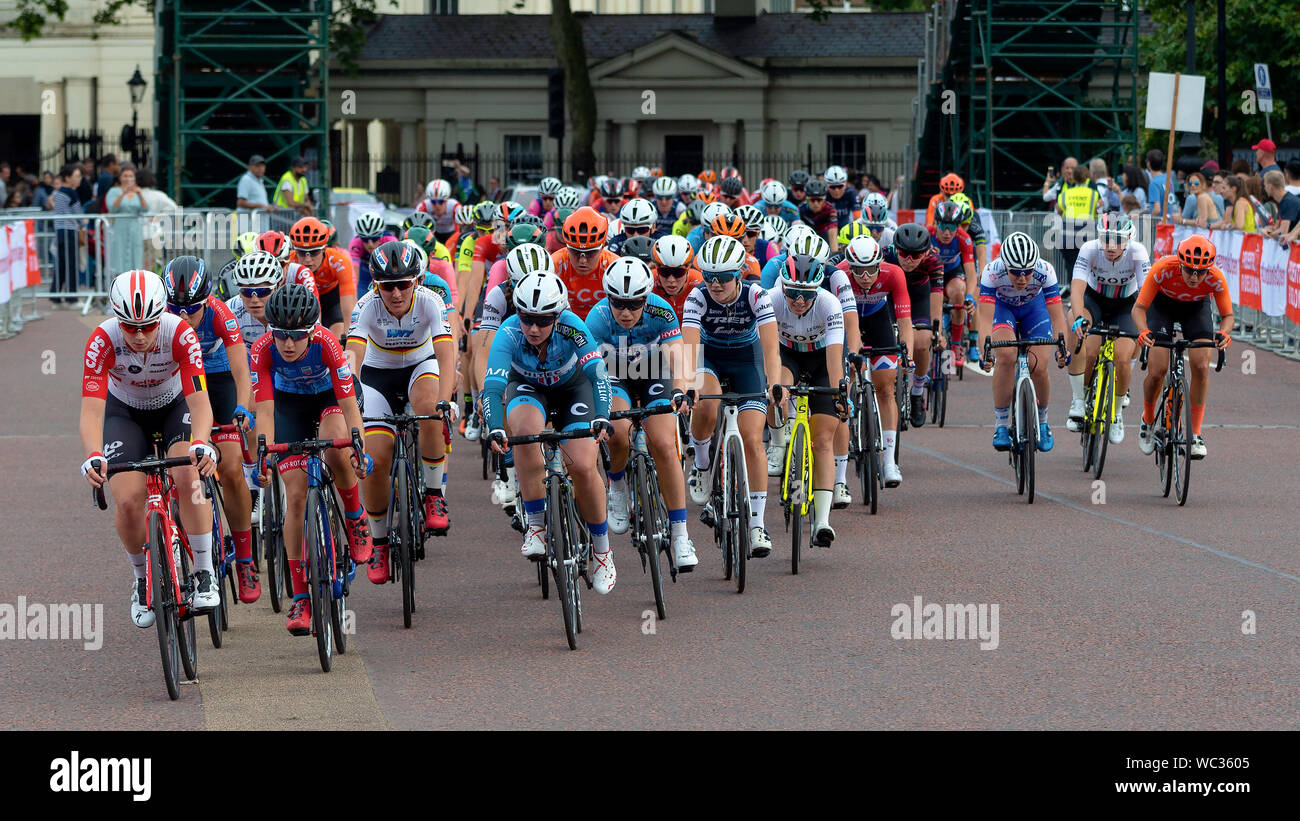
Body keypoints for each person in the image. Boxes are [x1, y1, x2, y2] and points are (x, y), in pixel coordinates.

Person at [80, 270, 221, 626]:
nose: (140, 335)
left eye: (148, 326)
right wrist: (93, 454)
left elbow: (200, 402)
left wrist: (203, 443)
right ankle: (142, 579)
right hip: (124, 412)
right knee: (127, 500)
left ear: (162, 316)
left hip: (175, 407)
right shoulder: (102, 340)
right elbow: (91, 410)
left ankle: (204, 571)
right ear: (116, 318)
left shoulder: (179, 332)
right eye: (130, 326)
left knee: (187, 473)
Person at [482, 272, 617, 594]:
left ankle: (602, 551)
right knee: (525, 434)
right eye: (527, 318)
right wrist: (496, 427)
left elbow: (598, 375)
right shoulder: (509, 332)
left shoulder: (572, 325)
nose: (533, 328)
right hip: (528, 389)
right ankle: (537, 526)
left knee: (583, 466)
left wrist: (601, 416)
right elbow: (493, 387)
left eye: (543, 321)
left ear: (557, 316)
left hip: (574, 390)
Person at [248, 284, 372, 635]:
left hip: (331, 398)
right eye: (281, 335)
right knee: (297, 497)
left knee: (335, 447)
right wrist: (264, 456)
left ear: (312, 331)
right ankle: (300, 595)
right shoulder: (261, 350)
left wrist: (358, 446)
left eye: (297, 336)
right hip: (289, 406)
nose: (288, 344)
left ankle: (354, 516)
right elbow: (266, 413)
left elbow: (349, 407)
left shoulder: (327, 343)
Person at [347, 241, 458, 582]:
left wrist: (445, 400)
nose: (395, 293)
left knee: (428, 407)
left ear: (417, 281)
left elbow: (445, 353)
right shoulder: (366, 306)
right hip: (378, 376)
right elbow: (352, 355)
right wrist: (353, 396)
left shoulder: (430, 302)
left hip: (419, 366)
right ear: (375, 286)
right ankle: (379, 540)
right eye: (387, 286)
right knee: (377, 458)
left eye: (403, 284)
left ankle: (434, 495)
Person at [585, 256, 697, 569]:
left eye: (634, 304)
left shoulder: (662, 310)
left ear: (646, 299)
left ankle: (680, 535)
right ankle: (617, 486)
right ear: (609, 299)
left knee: (663, 443)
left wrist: (680, 389)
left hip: (654, 374)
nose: (625, 312)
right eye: (618, 303)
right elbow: (593, 372)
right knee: (618, 432)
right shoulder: (597, 318)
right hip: (615, 377)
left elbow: (678, 359)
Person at [160, 256, 260, 602]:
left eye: (192, 309)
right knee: (177, 473)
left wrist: (243, 405)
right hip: (178, 383)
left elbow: (241, 372)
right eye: (175, 309)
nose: (183, 316)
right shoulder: (161, 317)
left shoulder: (221, 314)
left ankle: (245, 559)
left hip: (217, 380)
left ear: (207, 300)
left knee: (231, 467)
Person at [681, 235, 784, 557]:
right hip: (709, 359)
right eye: (708, 276)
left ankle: (756, 525)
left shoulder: (756, 295)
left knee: (753, 439)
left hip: (746, 361)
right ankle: (700, 463)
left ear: (738, 274)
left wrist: (775, 383)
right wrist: (688, 386)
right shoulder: (696, 297)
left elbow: (770, 348)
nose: (715, 284)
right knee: (707, 402)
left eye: (723, 277)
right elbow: (688, 349)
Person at [767, 253, 846, 548]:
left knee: (823, 440)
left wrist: (839, 392)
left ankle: (822, 521)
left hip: (821, 359)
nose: (799, 300)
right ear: (782, 287)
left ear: (817, 290)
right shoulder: (772, 298)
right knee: (776, 390)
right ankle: (778, 442)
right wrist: (776, 386)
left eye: (806, 294)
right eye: (793, 293)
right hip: (787, 357)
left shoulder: (829, 303)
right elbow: (769, 353)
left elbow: (835, 359)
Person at [1132, 235, 1233, 459]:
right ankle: (1148, 418)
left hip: (1195, 310)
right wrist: (1143, 331)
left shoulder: (1215, 278)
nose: (1195, 277)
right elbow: (1138, 309)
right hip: (1162, 308)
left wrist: (1224, 333)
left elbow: (1228, 315)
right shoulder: (1162, 269)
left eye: (1202, 271)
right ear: (1180, 263)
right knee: (1157, 372)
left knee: (1201, 367)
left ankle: (1195, 433)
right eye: (1189, 270)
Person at [976, 232, 1069, 452]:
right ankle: (1000, 425)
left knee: (1039, 366)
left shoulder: (1045, 271)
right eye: (1016, 273)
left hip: (1034, 311)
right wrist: (985, 352)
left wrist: (1062, 349)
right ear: (1005, 266)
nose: (1022, 278)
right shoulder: (991, 273)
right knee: (1006, 356)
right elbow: (985, 320)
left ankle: (1044, 422)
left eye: (1027, 272)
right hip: (1003, 309)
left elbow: (1057, 316)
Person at [1064, 214, 1149, 443]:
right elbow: (1077, 288)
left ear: (1128, 239)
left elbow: (1145, 293)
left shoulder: (1138, 252)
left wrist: (1145, 325)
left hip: (1125, 305)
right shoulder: (1090, 249)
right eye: (1106, 239)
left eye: (1118, 240)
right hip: (1094, 302)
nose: (1111, 246)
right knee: (1088, 349)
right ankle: (1079, 400)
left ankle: (1117, 413)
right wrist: (1080, 318)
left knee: (1123, 357)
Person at [842, 235, 912, 484]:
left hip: (878, 319)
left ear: (879, 264)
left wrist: (907, 354)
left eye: (870, 269)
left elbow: (905, 321)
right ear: (849, 266)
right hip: (845, 320)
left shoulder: (893, 274)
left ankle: (890, 461)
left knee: (885, 389)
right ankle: (847, 413)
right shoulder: (839, 275)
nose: (864, 276)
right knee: (843, 376)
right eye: (858, 270)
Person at [884, 223, 945, 428]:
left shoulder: (934, 261)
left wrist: (936, 331)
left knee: (922, 341)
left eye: (916, 256)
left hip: (919, 298)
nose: (909, 260)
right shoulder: (884, 255)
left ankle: (917, 391)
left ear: (926, 253)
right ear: (895, 249)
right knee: (887, 338)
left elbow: (937, 297)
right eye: (904, 254)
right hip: (891, 298)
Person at [928, 200, 978, 368]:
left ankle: (956, 344)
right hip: (930, 274)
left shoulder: (964, 239)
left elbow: (971, 274)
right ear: (936, 224)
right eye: (943, 226)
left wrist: (969, 296)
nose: (948, 232)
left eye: (953, 227)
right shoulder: (926, 235)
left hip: (952, 275)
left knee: (959, 293)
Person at [287, 216, 355, 337]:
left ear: (324, 249)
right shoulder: (289, 262)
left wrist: (349, 335)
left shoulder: (339, 261)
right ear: (295, 250)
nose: (308, 260)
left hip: (331, 300)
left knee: (338, 335)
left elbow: (349, 306)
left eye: (314, 252)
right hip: (302, 300)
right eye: (302, 253)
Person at [552, 206, 618, 320]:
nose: (583, 260)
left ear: (603, 247)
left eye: (591, 253)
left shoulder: (614, 267)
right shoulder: (554, 265)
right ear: (567, 247)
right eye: (575, 252)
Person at [51, 163, 84, 304]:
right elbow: (78, 215)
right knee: (71, 264)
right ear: (67, 177)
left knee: (61, 263)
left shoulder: (58, 193)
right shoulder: (71, 192)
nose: (79, 179)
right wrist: (83, 223)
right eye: (77, 176)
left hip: (59, 231)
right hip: (69, 231)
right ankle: (72, 296)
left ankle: (55, 294)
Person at [650, 234, 702, 322]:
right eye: (664, 272)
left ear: (688, 268)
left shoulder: (699, 281)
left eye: (678, 273)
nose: (671, 280)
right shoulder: (648, 282)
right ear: (656, 267)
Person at [106, 165, 147, 276]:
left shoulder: (138, 192)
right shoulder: (114, 191)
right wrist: (123, 193)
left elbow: (145, 208)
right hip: (120, 227)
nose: (128, 178)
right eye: (125, 176)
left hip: (135, 227)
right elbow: (112, 207)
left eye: (130, 176)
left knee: (136, 253)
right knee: (119, 253)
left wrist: (139, 194)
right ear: (120, 177)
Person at [799, 179, 839, 252]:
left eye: (819, 200)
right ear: (807, 199)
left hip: (824, 236)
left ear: (824, 199)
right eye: (812, 200)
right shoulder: (801, 209)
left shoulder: (830, 209)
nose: (816, 203)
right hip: (807, 236)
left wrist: (834, 256)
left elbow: (833, 236)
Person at [1262, 170, 1300, 244]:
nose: (1264, 188)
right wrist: (1268, 229)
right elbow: (1278, 226)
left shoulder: (1288, 201)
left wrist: (1267, 234)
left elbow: (1283, 231)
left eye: (1265, 185)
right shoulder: (1283, 200)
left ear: (1270, 187)